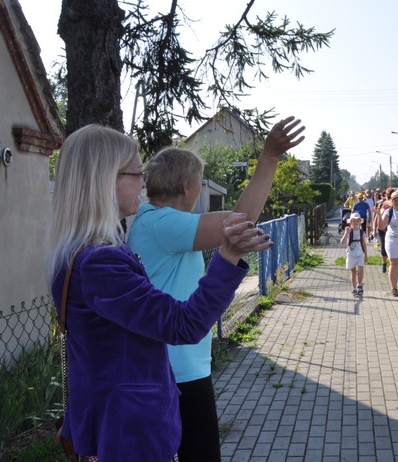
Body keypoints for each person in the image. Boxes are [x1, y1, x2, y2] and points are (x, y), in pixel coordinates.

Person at [47, 125, 274, 461]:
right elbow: (183, 325)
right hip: (129, 433)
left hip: (120, 425)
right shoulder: (100, 262)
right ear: (105, 179)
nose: (143, 182)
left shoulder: (84, 252)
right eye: (137, 173)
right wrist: (227, 257)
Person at [126, 118, 304, 461]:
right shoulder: (163, 222)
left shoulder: (155, 222)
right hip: (178, 368)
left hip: (175, 362)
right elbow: (241, 220)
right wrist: (268, 157)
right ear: (188, 185)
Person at [340, 212, 368, 296]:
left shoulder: (361, 232)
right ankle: (354, 288)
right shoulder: (349, 231)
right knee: (353, 272)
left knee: (361, 269)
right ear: (350, 222)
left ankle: (359, 285)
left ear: (360, 222)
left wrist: (366, 254)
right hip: (351, 253)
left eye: (357, 221)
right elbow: (342, 242)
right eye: (353, 221)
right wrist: (346, 233)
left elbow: (364, 243)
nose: (355, 222)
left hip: (359, 253)